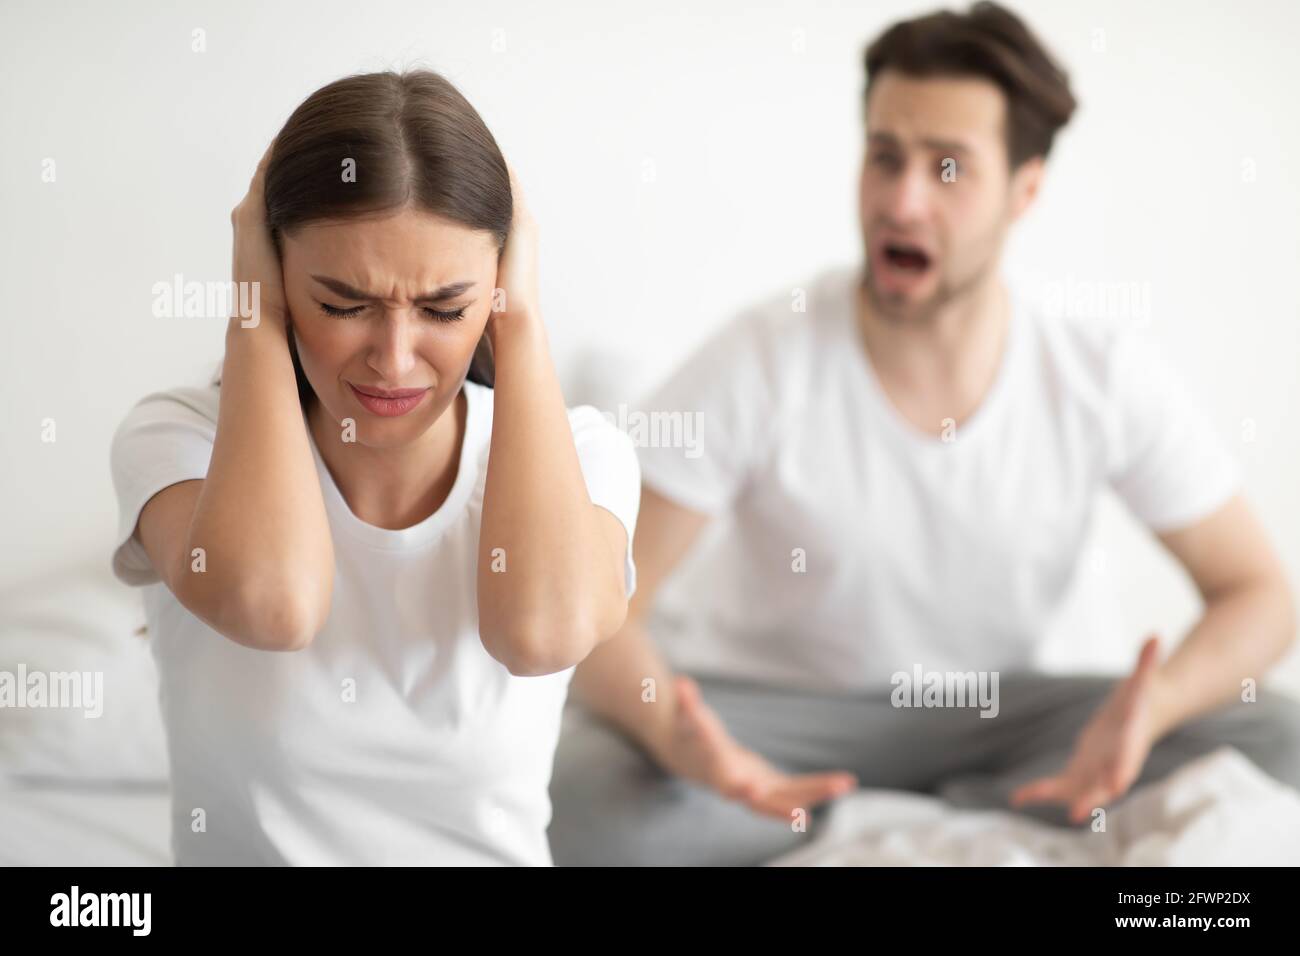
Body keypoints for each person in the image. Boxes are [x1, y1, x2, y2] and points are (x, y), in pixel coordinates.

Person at [548, 1, 1300, 866]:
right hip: (780, 716)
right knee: (575, 794)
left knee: (1281, 737)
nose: (903, 201)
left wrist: (1156, 706)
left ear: (1025, 191)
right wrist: (679, 742)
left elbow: (1260, 594)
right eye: (885, 157)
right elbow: (597, 609)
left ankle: (915, 809)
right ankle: (834, 811)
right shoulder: (764, 354)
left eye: (948, 168)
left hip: (1006, 720)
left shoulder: (1098, 372)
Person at [109, 70, 641, 865]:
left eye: (443, 309)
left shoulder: (586, 457)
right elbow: (273, 604)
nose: (394, 361)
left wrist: (521, 323)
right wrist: (253, 324)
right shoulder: (181, 440)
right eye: (344, 304)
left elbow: (540, 633)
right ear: (275, 275)